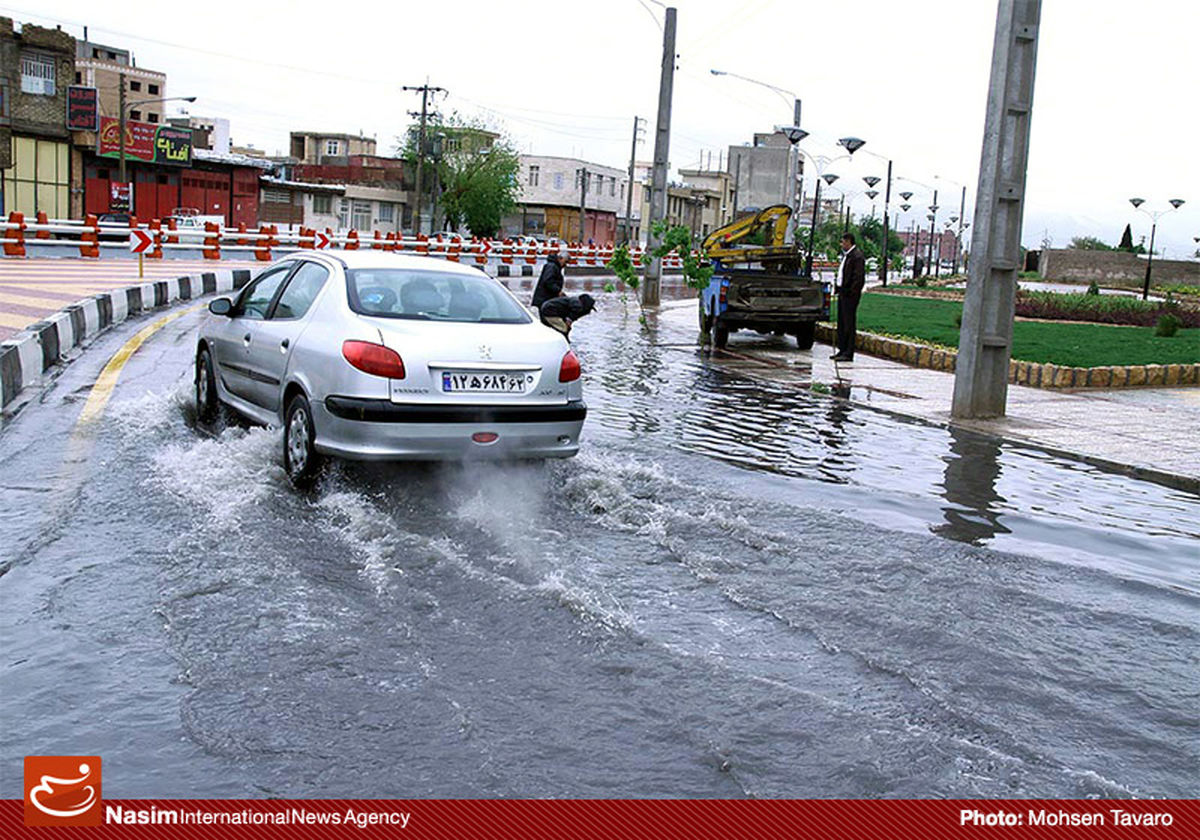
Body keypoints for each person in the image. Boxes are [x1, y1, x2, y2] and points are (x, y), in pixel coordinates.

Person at [832, 232, 865, 362]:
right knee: (842, 322)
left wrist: (852, 292)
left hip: (849, 295)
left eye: (843, 242)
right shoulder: (847, 256)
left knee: (849, 323)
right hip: (843, 293)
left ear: (848, 241)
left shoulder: (857, 257)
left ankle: (848, 352)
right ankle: (842, 349)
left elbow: (858, 277)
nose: (841, 244)